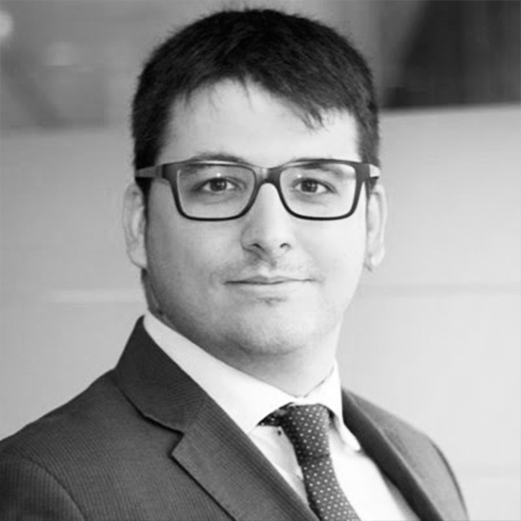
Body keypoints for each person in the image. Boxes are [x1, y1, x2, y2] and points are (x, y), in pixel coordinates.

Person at [0, 8, 468, 521]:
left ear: (372, 224)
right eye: (218, 184)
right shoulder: (45, 484)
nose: (270, 235)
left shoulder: (422, 460)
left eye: (313, 185)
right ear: (139, 224)